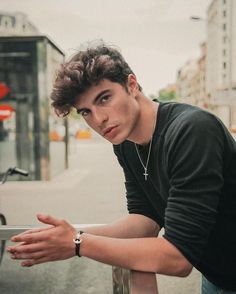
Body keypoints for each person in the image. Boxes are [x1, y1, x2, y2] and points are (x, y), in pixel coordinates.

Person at [7, 44, 236, 293]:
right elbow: (144, 220)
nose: (98, 119)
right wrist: (67, 236)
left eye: (104, 98)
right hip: (218, 277)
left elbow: (177, 258)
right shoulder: (125, 142)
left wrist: (77, 243)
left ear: (132, 85)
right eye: (86, 112)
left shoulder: (192, 130)